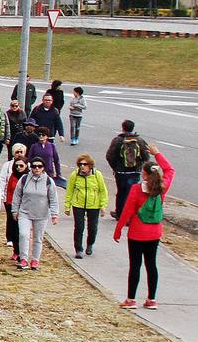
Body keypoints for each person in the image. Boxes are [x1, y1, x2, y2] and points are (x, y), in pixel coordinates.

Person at [114, 145, 174, 309]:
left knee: (135, 265)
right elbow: (170, 170)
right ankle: (151, 299)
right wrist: (157, 154)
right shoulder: (162, 188)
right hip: (154, 232)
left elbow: (127, 211)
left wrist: (118, 229)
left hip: (137, 232)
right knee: (151, 264)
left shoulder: (136, 189)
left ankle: (131, 299)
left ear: (145, 174)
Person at [12, 157, 61, 271]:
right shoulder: (24, 179)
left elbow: (53, 199)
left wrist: (54, 214)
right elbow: (17, 195)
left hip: (41, 214)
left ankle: (35, 260)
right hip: (25, 213)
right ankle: (23, 259)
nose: (37, 168)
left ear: (43, 168)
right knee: (24, 235)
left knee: (38, 238)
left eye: (40, 166)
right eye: (34, 166)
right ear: (31, 167)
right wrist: (15, 210)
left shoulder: (48, 181)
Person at [64, 153, 109, 259]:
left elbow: (103, 191)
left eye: (85, 164)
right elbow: (69, 191)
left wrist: (103, 206)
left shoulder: (97, 175)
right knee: (79, 227)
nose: (82, 166)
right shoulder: (74, 175)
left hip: (93, 205)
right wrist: (67, 206)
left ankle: (90, 243)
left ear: (90, 165)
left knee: (92, 227)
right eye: (80, 164)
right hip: (78, 204)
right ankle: (78, 249)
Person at [105, 121, 149, 219]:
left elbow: (109, 156)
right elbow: (146, 156)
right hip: (135, 172)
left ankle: (119, 214)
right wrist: (139, 165)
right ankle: (129, 215)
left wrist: (115, 167)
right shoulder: (139, 140)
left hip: (121, 172)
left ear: (123, 128)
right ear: (133, 128)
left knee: (121, 192)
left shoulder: (117, 140)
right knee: (131, 194)